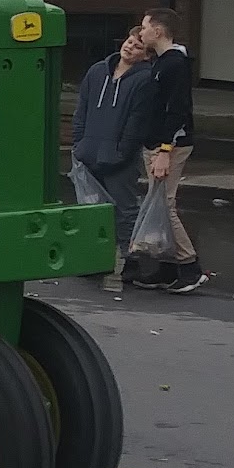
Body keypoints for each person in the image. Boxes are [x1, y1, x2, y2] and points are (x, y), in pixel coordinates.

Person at [73, 27, 156, 293]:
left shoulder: (144, 80)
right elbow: (82, 108)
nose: (130, 48)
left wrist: (123, 152)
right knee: (90, 209)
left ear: (146, 56)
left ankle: (131, 260)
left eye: (138, 47)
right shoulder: (97, 71)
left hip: (120, 156)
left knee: (124, 210)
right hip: (89, 150)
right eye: (130, 42)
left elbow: (137, 121)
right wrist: (79, 143)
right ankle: (93, 258)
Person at [132, 7, 207, 294]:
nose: (141, 32)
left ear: (158, 31)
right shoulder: (162, 62)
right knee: (157, 204)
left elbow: (176, 111)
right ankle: (165, 267)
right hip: (156, 142)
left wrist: (165, 150)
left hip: (170, 145)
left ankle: (189, 266)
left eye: (144, 27)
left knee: (165, 204)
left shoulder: (174, 64)